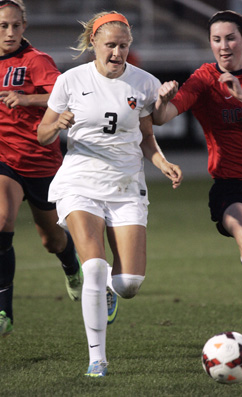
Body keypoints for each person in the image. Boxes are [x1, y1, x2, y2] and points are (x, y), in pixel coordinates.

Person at [37, 11, 183, 377]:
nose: (117, 52)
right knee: (96, 267)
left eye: (123, 46)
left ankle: (106, 294)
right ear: (94, 45)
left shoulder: (145, 83)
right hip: (79, 183)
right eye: (110, 45)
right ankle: (97, 359)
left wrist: (163, 163)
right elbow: (43, 134)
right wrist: (58, 123)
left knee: (128, 284)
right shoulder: (70, 81)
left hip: (126, 186)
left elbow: (148, 137)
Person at [0, 0, 83, 337]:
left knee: (51, 240)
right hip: (5, 159)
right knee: (2, 221)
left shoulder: (36, 61)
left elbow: (64, 98)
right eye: (3, 26)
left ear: (24, 26)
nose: (9, 32)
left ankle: (70, 264)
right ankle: (4, 312)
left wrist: (25, 98)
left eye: (15, 25)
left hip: (41, 161)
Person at [153, 10, 242, 261]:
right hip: (232, 186)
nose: (223, 46)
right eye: (216, 39)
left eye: (230, 38)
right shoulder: (205, 78)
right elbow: (161, 118)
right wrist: (162, 101)